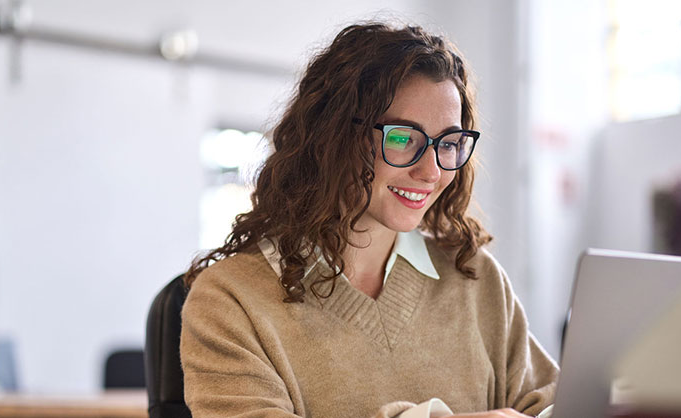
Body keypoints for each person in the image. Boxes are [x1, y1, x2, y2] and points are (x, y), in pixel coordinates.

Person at [180, 22, 559, 418]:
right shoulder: (230, 301)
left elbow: (552, 403)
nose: (431, 172)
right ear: (333, 138)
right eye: (401, 138)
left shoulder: (476, 279)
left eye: (448, 143)